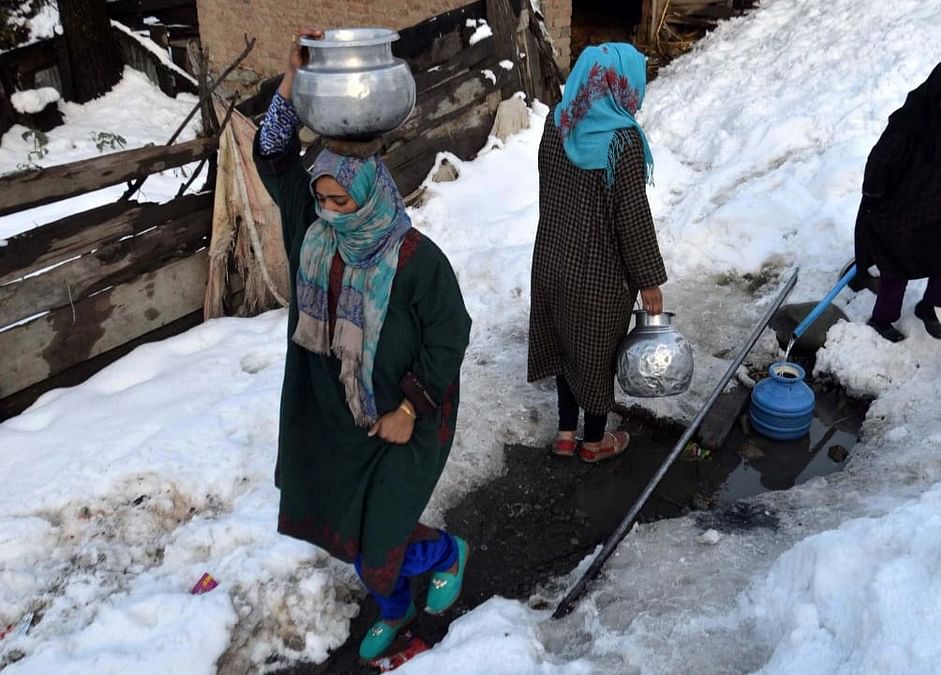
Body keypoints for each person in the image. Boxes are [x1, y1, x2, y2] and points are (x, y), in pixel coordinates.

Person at [253, 29, 473, 662]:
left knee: (381, 542)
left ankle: (442, 554)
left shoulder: (415, 258)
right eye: (321, 197)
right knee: (350, 535)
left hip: (405, 420)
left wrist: (409, 409)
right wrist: (293, 82)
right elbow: (273, 156)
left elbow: (450, 332)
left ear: (372, 193)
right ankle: (396, 608)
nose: (328, 209)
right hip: (337, 417)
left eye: (339, 199)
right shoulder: (312, 226)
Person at [527, 43, 668, 462]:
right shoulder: (621, 142)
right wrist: (649, 283)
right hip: (600, 272)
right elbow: (633, 218)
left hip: (553, 258)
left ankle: (565, 434)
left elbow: (549, 185)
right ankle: (593, 442)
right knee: (596, 354)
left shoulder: (557, 123)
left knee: (568, 347)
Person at [854, 57, 941, 342]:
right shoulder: (907, 123)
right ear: (936, 94)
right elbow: (878, 163)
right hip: (902, 204)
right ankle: (881, 320)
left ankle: (928, 306)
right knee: (896, 265)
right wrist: (875, 199)